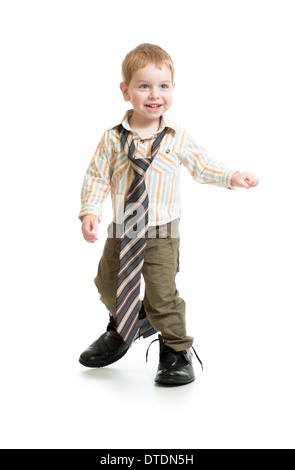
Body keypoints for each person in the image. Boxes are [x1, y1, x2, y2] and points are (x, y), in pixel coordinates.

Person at [78, 43, 259, 385]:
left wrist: (231, 176)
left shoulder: (176, 137)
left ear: (173, 89)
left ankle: (176, 350)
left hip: (161, 232)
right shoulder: (112, 139)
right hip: (122, 229)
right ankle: (129, 322)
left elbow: (202, 164)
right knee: (106, 283)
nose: (154, 94)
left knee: (162, 295)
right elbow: (97, 176)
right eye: (143, 86)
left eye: (162, 86)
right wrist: (90, 211)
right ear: (125, 90)